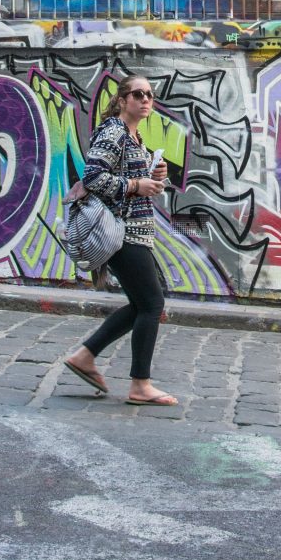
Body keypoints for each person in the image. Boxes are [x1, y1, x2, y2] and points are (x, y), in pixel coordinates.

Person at [61, 77, 180, 406]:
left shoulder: (134, 136)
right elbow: (93, 177)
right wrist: (134, 185)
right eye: (138, 94)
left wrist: (155, 177)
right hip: (120, 231)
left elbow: (132, 178)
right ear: (122, 99)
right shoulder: (114, 131)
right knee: (152, 304)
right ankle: (140, 385)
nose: (145, 100)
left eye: (150, 96)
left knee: (144, 303)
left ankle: (85, 356)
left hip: (135, 230)